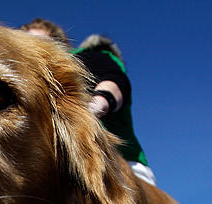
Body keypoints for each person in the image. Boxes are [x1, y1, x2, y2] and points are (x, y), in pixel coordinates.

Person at [21, 18, 156, 185]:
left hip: (122, 165)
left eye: (38, 41)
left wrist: (93, 108)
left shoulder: (86, 57)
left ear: (59, 45)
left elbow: (114, 81)